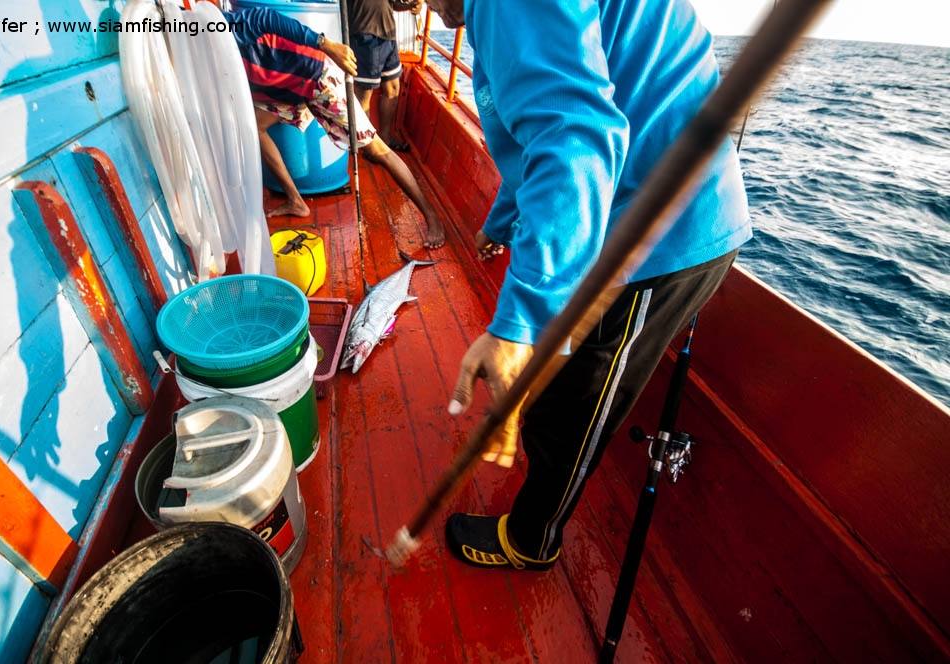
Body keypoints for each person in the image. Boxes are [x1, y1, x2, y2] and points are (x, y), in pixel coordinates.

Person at [426, 0, 752, 570]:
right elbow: (540, 132)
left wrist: (520, 323)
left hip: (658, 235)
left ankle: (531, 541)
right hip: (615, 209)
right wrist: (502, 220)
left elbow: (574, 134)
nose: (426, 10)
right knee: (554, 386)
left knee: (575, 405)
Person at [224, 6, 445, 248]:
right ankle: (296, 200)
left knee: (377, 150)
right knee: (256, 125)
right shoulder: (195, 48)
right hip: (284, 89)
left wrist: (327, 44)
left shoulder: (214, 27)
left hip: (316, 76)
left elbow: (266, 16)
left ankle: (431, 215)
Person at [349, 0, 422, 152]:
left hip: (388, 36)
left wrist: (409, 6)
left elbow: (392, 4)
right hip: (364, 35)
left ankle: (385, 138)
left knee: (393, 88)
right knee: (364, 94)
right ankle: (369, 147)